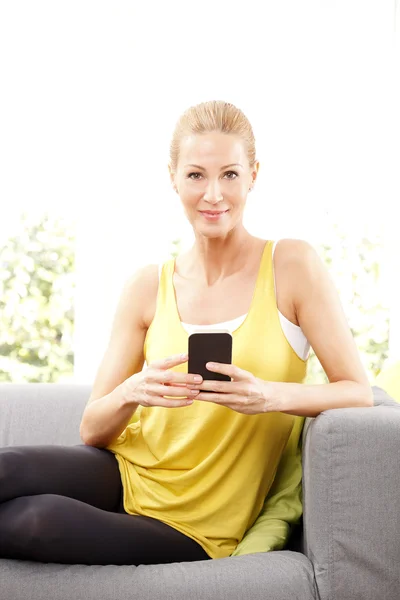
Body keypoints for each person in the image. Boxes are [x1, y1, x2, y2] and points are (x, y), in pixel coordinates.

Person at [0, 100, 373, 566]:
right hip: (127, 469)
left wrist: (269, 397)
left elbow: (358, 392)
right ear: (173, 177)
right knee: (7, 466)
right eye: (196, 175)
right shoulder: (146, 285)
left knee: (35, 521)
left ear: (253, 175)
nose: (213, 194)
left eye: (230, 174)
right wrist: (131, 391)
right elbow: (92, 429)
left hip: (196, 522)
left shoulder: (292, 266)